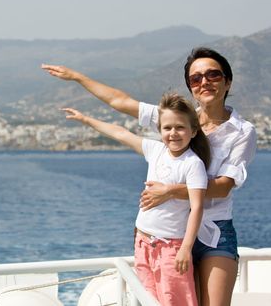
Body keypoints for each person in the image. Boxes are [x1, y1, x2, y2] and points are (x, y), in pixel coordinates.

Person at [42, 46, 257, 306]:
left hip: (215, 233)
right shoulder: (180, 120)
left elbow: (223, 187)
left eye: (213, 75)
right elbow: (121, 103)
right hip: (171, 237)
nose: (204, 82)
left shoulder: (243, 132)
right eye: (196, 78)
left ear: (227, 81)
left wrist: (169, 190)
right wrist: (77, 77)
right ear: (190, 87)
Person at [63, 92, 209, 305]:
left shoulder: (192, 164)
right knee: (147, 299)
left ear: (193, 131)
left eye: (180, 127)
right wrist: (85, 119)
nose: (173, 133)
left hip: (170, 247)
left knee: (175, 301)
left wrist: (186, 249)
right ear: (160, 131)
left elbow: (197, 207)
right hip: (142, 243)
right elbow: (121, 133)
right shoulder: (156, 150)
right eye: (167, 128)